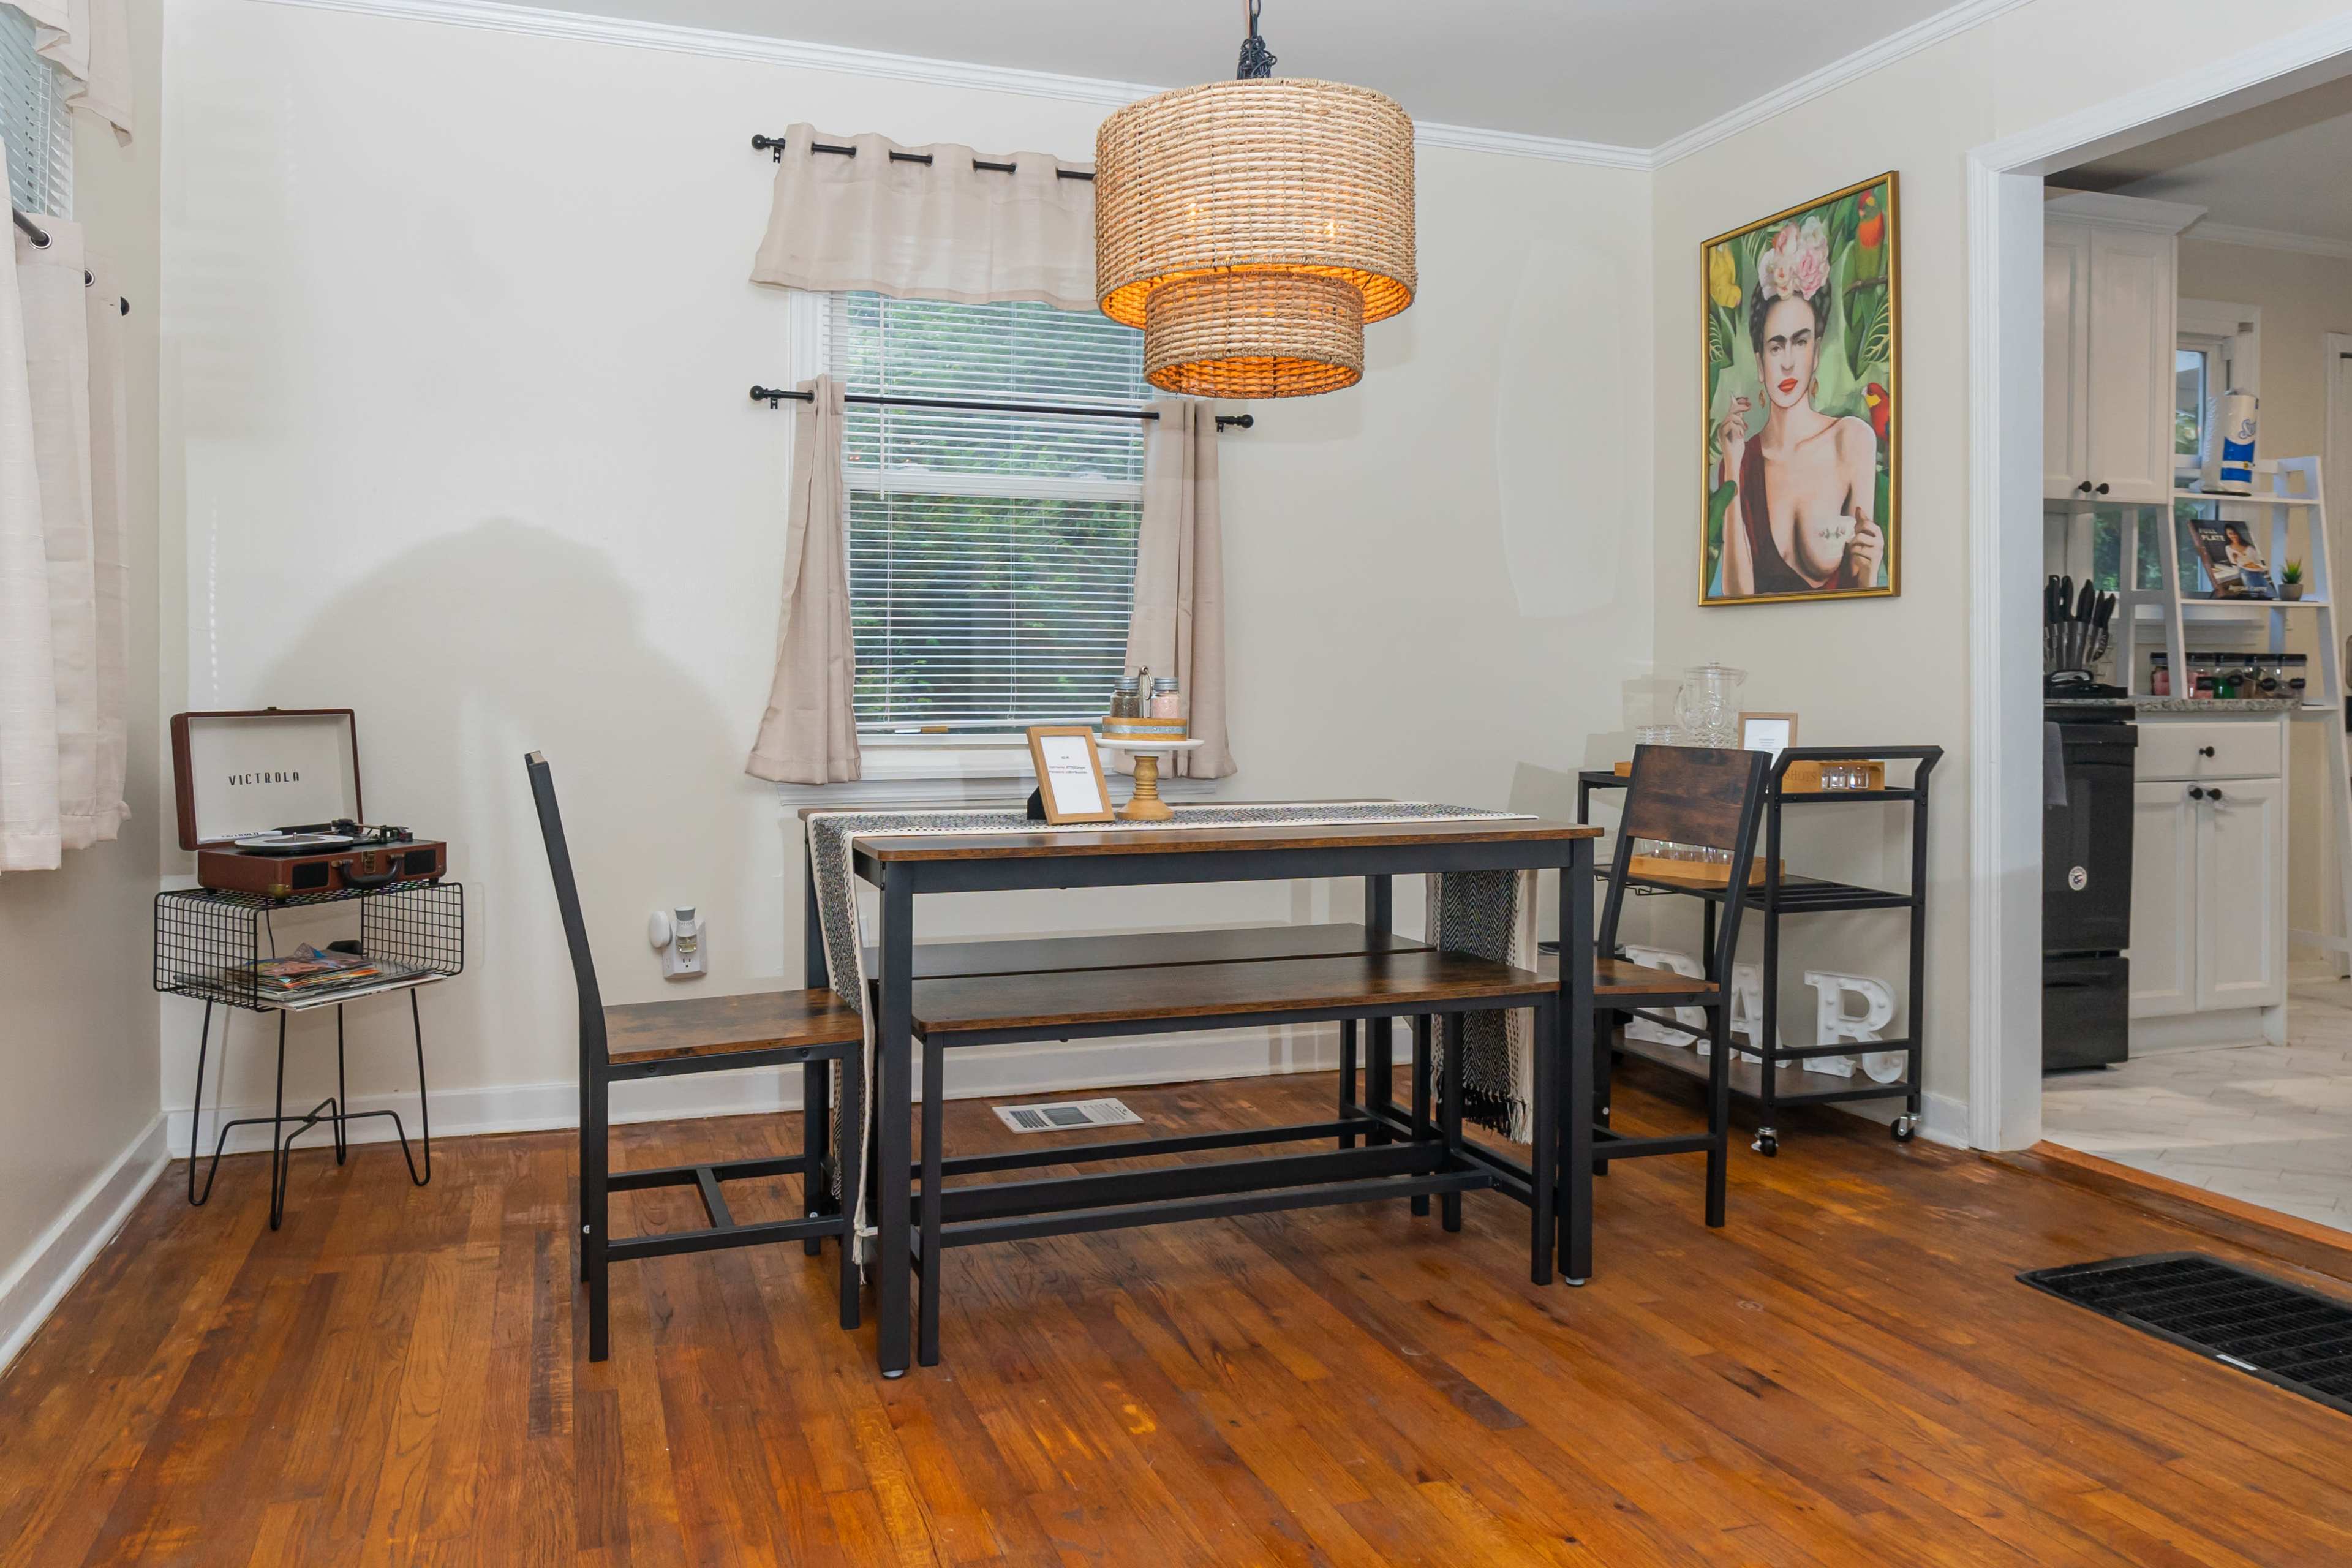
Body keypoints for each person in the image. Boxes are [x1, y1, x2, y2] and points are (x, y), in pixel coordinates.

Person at [1713, 218, 1884, 597]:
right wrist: (1734, 472)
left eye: (1800, 342)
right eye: (1776, 346)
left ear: (1817, 352)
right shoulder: (1740, 459)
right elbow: (1737, 596)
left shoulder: (1851, 440)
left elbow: (1862, 588)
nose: (1788, 362)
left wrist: (1871, 569)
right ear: (1760, 363)